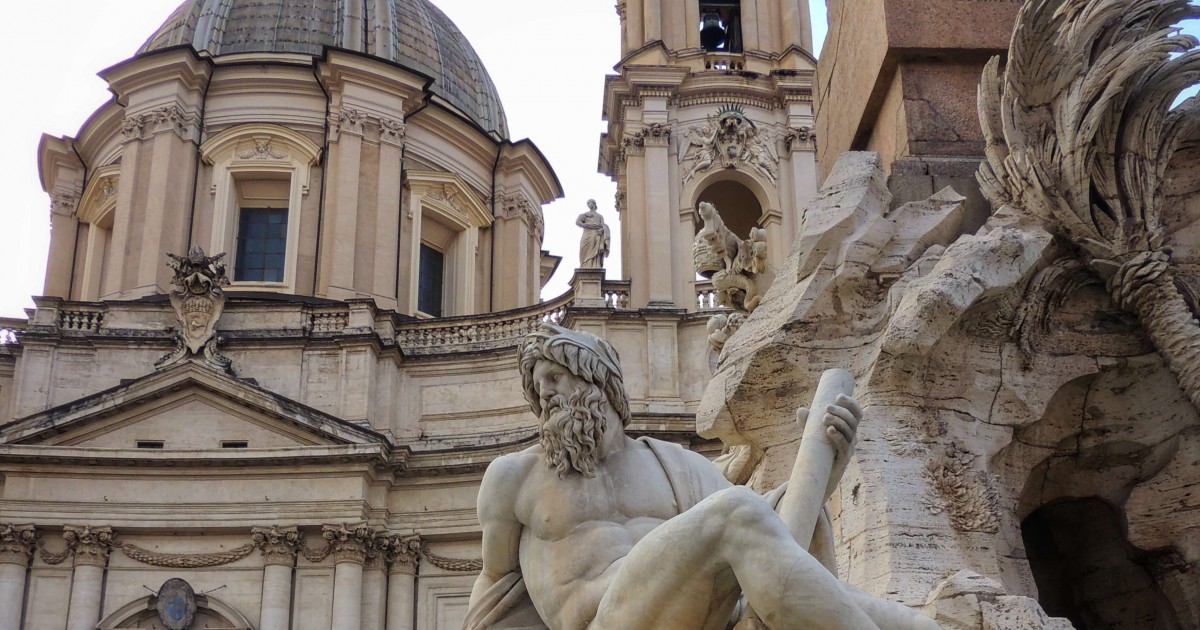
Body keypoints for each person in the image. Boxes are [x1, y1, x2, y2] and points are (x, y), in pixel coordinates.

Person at [464, 324, 941, 630]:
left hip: (699, 614)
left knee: (910, 621)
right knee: (734, 512)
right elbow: (494, 586)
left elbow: (772, 532)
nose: (544, 394)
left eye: (554, 377)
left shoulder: (672, 462)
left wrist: (827, 471)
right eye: (537, 387)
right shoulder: (515, 476)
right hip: (604, 621)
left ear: (598, 382)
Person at [576, 200, 609, 269]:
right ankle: (584, 264)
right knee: (583, 247)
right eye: (587, 203)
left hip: (596, 234)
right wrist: (586, 225)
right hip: (586, 234)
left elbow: (603, 226)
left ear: (594, 203)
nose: (588, 204)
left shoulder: (600, 216)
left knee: (595, 248)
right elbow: (578, 222)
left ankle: (595, 264)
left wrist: (602, 230)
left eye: (589, 203)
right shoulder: (585, 214)